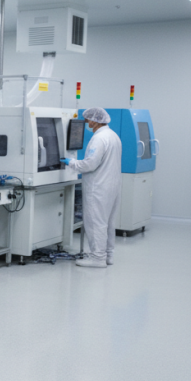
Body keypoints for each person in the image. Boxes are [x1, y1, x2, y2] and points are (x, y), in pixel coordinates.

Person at [62, 108, 122, 268]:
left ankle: (97, 258)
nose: (87, 122)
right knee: (108, 222)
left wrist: (71, 163)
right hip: (112, 186)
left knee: (96, 222)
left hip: (99, 187)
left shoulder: (99, 138)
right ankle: (108, 255)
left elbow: (90, 164)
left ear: (95, 120)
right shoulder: (113, 135)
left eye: (88, 120)